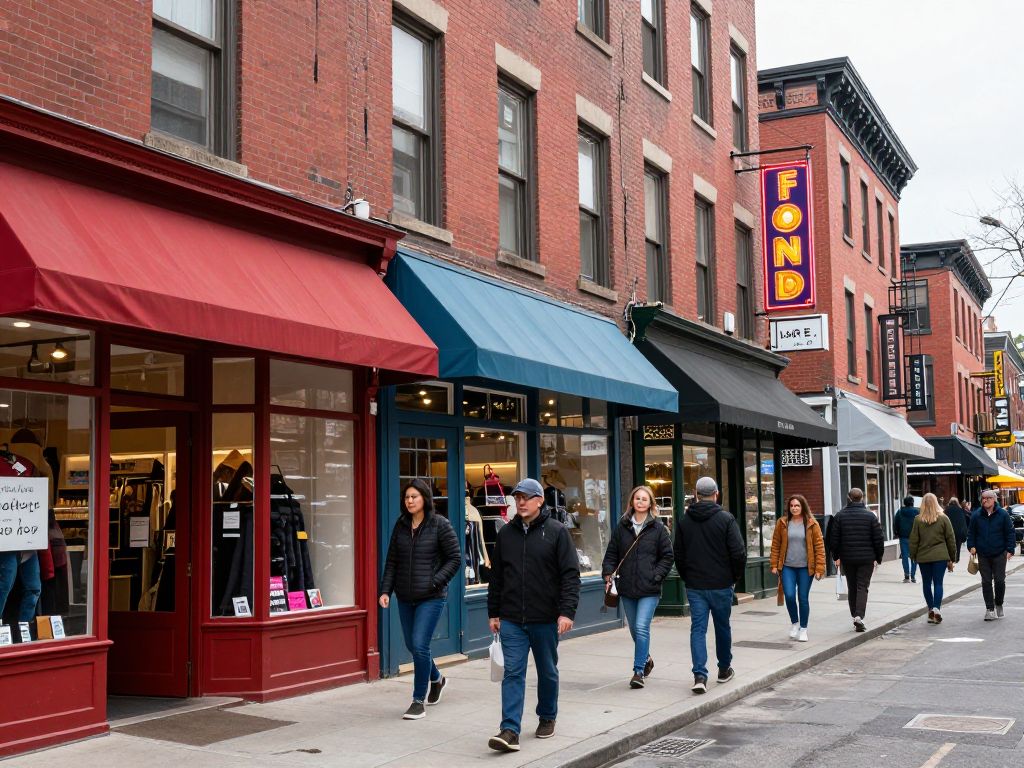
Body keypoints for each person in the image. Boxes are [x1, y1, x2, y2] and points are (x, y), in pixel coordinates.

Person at [487, 478, 581, 753]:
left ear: (540, 500)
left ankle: (547, 716)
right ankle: (509, 729)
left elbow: (570, 576)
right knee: (513, 673)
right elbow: (497, 578)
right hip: (513, 619)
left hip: (546, 618)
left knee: (547, 672)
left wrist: (566, 612)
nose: (521, 502)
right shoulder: (506, 534)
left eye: (527, 497)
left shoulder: (557, 532)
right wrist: (494, 612)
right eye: (517, 498)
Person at [379, 479, 462, 720]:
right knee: (413, 645)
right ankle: (437, 678)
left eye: (414, 496)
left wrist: (435, 581)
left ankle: (417, 700)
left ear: (425, 498)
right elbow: (392, 561)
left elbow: (455, 558)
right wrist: (385, 590)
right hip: (405, 596)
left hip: (431, 597)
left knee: (419, 644)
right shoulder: (401, 525)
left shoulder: (440, 525)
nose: (410, 501)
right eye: (407, 497)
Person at [673, 476, 746, 695]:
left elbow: (679, 554)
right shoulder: (726, 519)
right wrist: (734, 577)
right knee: (722, 627)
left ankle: (699, 675)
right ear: (716, 494)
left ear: (696, 495)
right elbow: (739, 552)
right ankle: (724, 669)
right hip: (722, 583)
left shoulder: (685, 520)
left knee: (698, 629)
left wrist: (688, 576)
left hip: (696, 585)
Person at [602, 485, 674, 688]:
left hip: (649, 588)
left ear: (651, 503)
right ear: (632, 502)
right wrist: (608, 573)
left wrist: (656, 575)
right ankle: (647, 659)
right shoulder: (622, 527)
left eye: (644, 499)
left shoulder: (658, 529)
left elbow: (667, 557)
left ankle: (638, 671)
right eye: (637, 498)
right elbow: (611, 553)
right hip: (627, 587)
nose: (640, 502)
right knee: (634, 629)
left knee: (642, 627)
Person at [769, 494, 825, 642]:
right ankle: (795, 623)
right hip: (787, 566)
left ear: (802, 507)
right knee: (788, 595)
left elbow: (819, 547)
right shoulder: (782, 523)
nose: (794, 508)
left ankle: (804, 629)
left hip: (806, 568)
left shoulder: (812, 524)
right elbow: (776, 545)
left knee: (803, 598)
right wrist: (774, 564)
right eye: (792, 506)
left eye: (797, 506)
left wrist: (820, 568)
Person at [827, 487, 883, 632]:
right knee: (862, 587)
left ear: (849, 498)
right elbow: (878, 539)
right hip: (866, 558)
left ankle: (854, 615)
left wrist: (836, 556)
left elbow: (834, 539)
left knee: (852, 587)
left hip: (848, 558)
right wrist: (878, 557)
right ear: (862, 498)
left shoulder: (840, 516)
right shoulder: (870, 516)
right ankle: (859, 616)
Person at [967, 488, 1015, 621]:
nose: (985, 500)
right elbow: (971, 533)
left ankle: (998, 603)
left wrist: (1010, 549)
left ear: (994, 500)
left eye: (988, 498)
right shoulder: (976, 515)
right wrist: (971, 546)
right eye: (983, 498)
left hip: (999, 553)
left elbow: (1010, 532)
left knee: (999, 581)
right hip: (982, 554)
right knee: (986, 582)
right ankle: (989, 609)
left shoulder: (1003, 514)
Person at [909, 493, 957, 624]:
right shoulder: (944, 518)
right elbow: (950, 539)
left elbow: (913, 540)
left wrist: (912, 556)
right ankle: (937, 608)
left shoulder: (918, 519)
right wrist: (952, 557)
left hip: (923, 556)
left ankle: (930, 610)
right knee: (938, 583)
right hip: (940, 556)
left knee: (926, 583)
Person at [893, 495, 920, 583]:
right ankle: (913, 575)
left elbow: (895, 523)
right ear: (912, 502)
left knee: (905, 556)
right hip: (915, 538)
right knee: (914, 557)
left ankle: (906, 575)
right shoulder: (917, 512)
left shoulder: (900, 512)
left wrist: (896, 533)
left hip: (903, 537)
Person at [945, 496, 969, 564]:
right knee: (958, 545)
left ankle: (950, 558)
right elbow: (965, 520)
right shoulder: (960, 510)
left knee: (949, 545)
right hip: (958, 531)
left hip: (949, 531)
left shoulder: (946, 510)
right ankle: (957, 558)